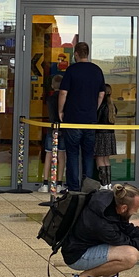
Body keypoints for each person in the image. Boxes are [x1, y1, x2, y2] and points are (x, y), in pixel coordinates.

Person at [58, 41, 106, 193]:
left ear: (76, 54)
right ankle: (88, 187)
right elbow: (101, 94)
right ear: (88, 54)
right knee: (88, 154)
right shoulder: (97, 70)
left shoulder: (71, 70)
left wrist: (61, 111)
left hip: (72, 119)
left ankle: (73, 187)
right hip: (90, 119)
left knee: (72, 153)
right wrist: (94, 108)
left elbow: (63, 92)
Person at [39, 73, 67, 194]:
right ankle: (59, 183)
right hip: (63, 129)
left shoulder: (50, 99)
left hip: (51, 129)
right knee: (61, 156)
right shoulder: (66, 98)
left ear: (52, 85)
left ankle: (45, 183)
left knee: (49, 155)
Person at [94, 83, 117, 187]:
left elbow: (96, 120)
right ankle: (108, 183)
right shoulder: (112, 106)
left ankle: (103, 184)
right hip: (110, 135)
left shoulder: (100, 106)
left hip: (100, 135)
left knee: (99, 158)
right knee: (106, 159)